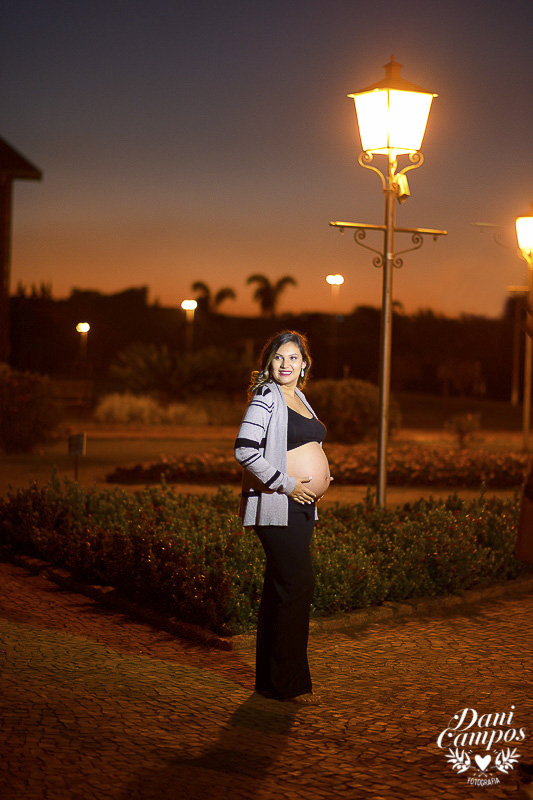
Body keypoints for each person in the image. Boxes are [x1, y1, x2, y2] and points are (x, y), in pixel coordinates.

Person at [234, 330, 331, 705]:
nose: (285, 365)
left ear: (304, 364)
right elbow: (245, 450)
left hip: (302, 507)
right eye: (278, 358)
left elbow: (305, 444)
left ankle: (271, 682)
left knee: (280, 590)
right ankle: (287, 682)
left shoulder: (301, 398)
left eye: (293, 358)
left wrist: (322, 474)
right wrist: (288, 483)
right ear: (268, 364)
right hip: (279, 505)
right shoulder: (266, 398)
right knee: (296, 586)